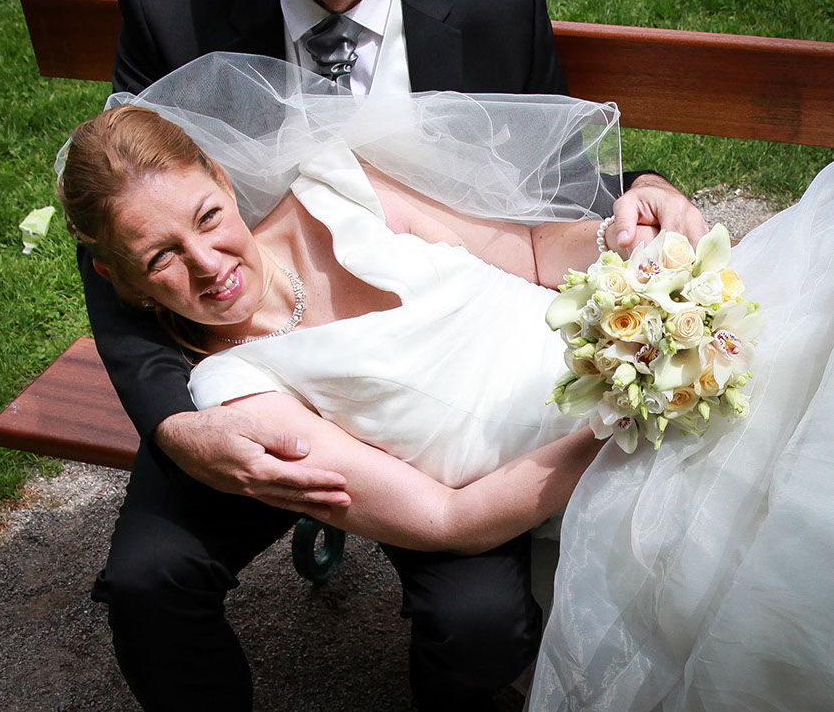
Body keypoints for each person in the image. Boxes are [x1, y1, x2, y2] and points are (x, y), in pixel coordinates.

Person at [83, 0, 708, 709]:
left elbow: (541, 180)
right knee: (147, 578)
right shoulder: (173, 3)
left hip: (437, 379)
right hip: (253, 364)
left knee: (478, 619)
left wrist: (648, 185)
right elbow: (128, 240)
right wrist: (176, 422)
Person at [66, 56, 834, 712]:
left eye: (205, 216)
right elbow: (444, 517)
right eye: (160, 255)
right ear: (118, 278)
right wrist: (623, 414)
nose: (206, 261)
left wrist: (625, 248)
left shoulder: (338, 185)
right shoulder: (235, 388)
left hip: (653, 354)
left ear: (224, 181)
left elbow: (533, 254)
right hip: (601, 459)